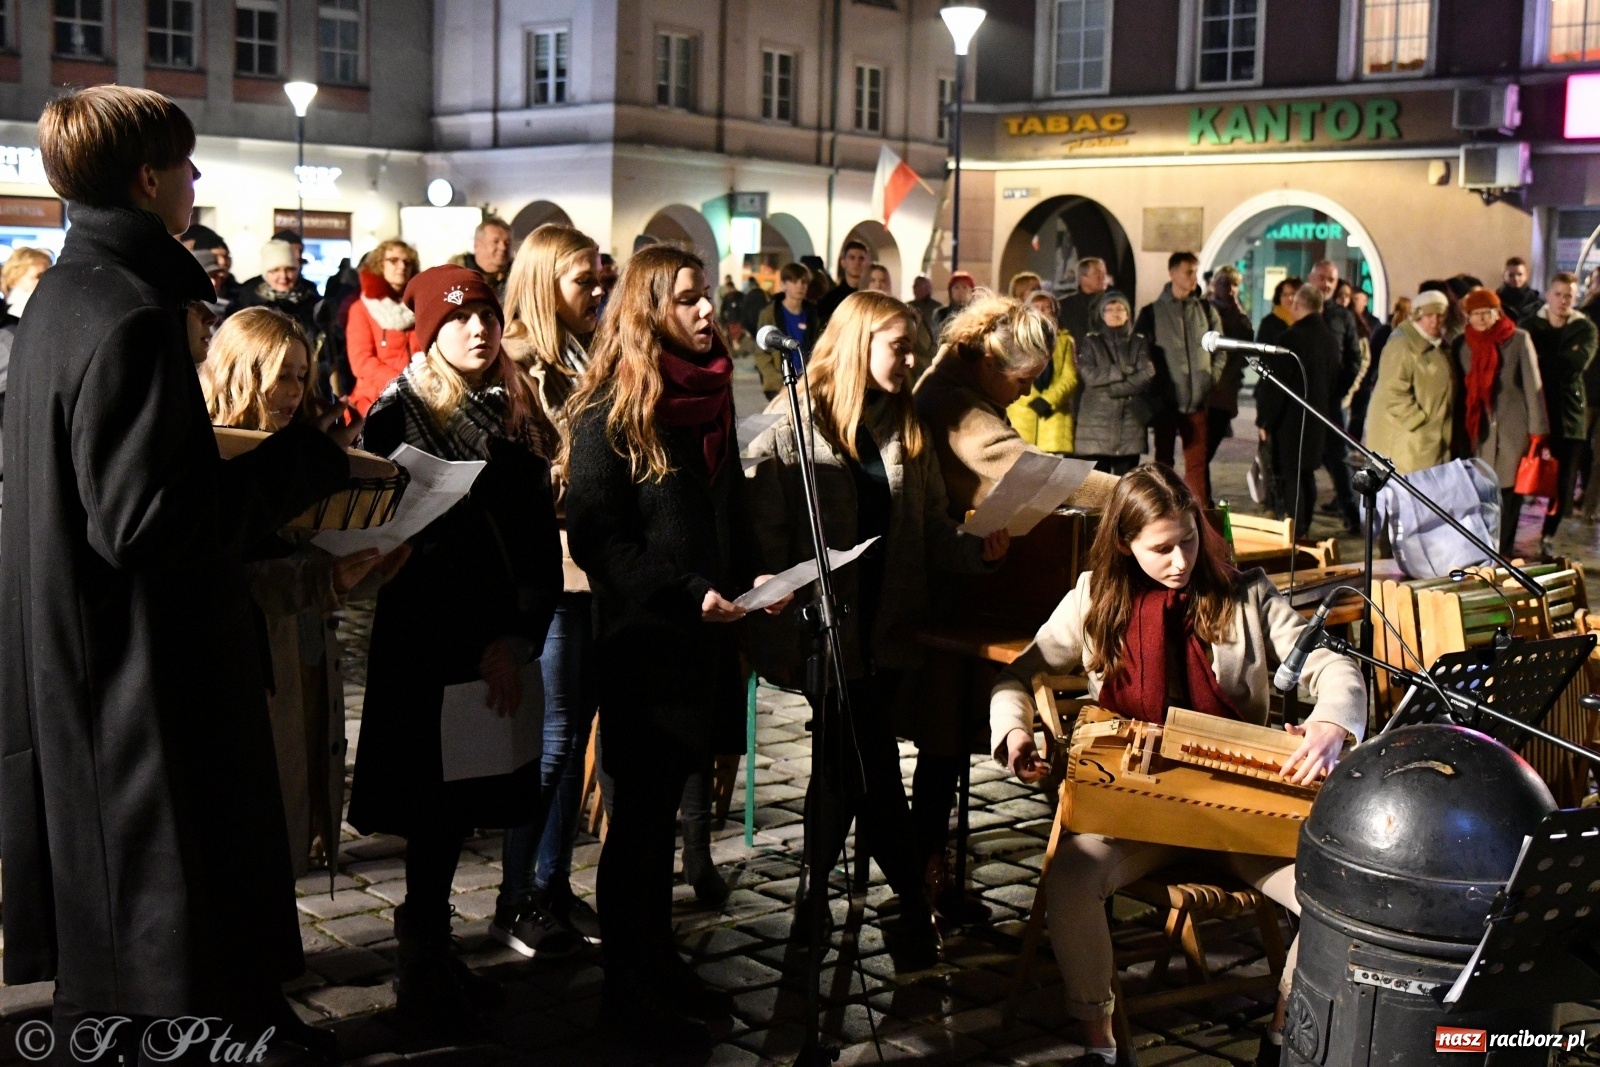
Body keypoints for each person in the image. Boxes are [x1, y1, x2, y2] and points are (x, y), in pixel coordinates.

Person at [1, 85, 352, 1061]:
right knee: (156, 917)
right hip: (140, 678)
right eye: (187, 165)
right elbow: (142, 521)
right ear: (148, 179)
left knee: (142, 925)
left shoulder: (67, 299)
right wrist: (292, 469)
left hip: (92, 669)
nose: (197, 180)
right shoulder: (128, 311)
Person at [990, 464, 1363, 1067]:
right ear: (1125, 544)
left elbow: (1329, 662)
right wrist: (1014, 730)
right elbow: (1019, 673)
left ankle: (1283, 1031)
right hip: (1136, 810)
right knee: (1071, 879)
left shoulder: (1245, 594)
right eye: (1160, 548)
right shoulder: (1094, 597)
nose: (1179, 560)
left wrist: (1332, 720)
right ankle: (1101, 1045)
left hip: (1235, 812)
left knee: (1334, 897)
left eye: (1188, 540)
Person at [563, 243, 790, 1055]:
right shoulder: (612, 409)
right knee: (640, 829)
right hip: (646, 646)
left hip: (706, 644)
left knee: (671, 819)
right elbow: (596, 535)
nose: (706, 311)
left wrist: (749, 574)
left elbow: (719, 516)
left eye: (708, 297)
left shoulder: (714, 395)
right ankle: (626, 990)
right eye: (688, 299)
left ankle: (661, 963)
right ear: (649, 306)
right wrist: (684, 589)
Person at [744, 290, 1008, 970]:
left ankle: (815, 897)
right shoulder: (796, 423)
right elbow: (769, 533)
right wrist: (781, 592)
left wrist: (976, 548)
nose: (912, 358)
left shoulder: (906, 423)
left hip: (889, 628)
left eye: (915, 345)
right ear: (859, 343)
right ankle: (910, 907)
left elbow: (924, 527)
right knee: (873, 767)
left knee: (844, 768)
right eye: (900, 346)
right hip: (824, 632)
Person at [348, 265, 562, 1036]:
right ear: (431, 331)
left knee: (466, 811)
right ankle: (423, 962)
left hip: (496, 648)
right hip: (427, 649)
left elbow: (538, 541)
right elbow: (392, 548)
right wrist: (480, 640)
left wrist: (514, 637)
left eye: (489, 318)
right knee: (431, 813)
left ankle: (436, 954)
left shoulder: (515, 412)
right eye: (459, 319)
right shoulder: (395, 421)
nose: (479, 330)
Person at [912, 292, 1120, 913]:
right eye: (1023, 380)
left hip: (972, 584)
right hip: (960, 595)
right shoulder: (954, 401)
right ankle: (927, 879)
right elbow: (1026, 470)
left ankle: (930, 877)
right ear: (987, 364)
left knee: (943, 749)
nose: (1028, 394)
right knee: (943, 745)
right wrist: (1133, 492)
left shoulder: (956, 381)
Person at [202, 307, 410, 878]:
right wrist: (323, 579)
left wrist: (374, 561)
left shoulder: (290, 446)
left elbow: (314, 554)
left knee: (294, 803)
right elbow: (226, 574)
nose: (295, 391)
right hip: (250, 663)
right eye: (283, 374)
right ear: (243, 370)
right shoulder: (213, 451)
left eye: (302, 376)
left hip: (304, 654)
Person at [494, 222, 607, 954]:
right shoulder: (518, 364)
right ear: (542, 282)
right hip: (554, 570)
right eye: (582, 281)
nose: (597, 292)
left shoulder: (583, 355)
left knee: (575, 735)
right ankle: (515, 896)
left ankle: (554, 881)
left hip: (595, 567)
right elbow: (528, 475)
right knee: (552, 735)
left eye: (600, 279)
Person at [1454, 288, 1548, 556]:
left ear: (1498, 313)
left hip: (1513, 431)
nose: (1482, 319)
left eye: (1487, 313)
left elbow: (1533, 387)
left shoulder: (1518, 340)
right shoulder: (1463, 344)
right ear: (1467, 317)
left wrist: (1538, 431)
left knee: (1508, 496)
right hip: (1478, 433)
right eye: (1476, 314)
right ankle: (1481, 549)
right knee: (1481, 494)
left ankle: (1502, 552)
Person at [1135, 251, 1223, 505]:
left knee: (1197, 462)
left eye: (1195, 271)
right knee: (1164, 460)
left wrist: (1210, 377)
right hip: (1166, 399)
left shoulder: (1206, 309)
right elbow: (1141, 353)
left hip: (1198, 399)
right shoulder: (1152, 312)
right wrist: (1157, 383)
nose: (1194, 277)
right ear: (1172, 273)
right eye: (1188, 271)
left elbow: (1220, 350)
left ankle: (1200, 518)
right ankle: (1163, 508)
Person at [1524, 272, 1599, 548]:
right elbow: (1527, 365)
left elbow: (1574, 365)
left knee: (1564, 482)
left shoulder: (1585, 328)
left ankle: (1548, 534)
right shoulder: (1530, 326)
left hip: (1569, 413)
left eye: (1569, 295)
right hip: (1535, 409)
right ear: (1548, 295)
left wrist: (1543, 361)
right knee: (1524, 473)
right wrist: (1557, 361)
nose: (1563, 300)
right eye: (1558, 294)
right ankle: (1507, 536)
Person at [1257, 285, 1338, 532]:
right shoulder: (1329, 338)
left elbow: (1276, 386)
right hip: (1319, 416)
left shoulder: (1291, 338)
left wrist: (1265, 421)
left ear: (1296, 306)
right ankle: (1304, 526)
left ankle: (1296, 530)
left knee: (1293, 476)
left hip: (1292, 421)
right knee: (1307, 473)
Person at [1365, 289, 1453, 475]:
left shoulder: (1438, 345)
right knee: (1406, 497)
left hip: (1425, 440)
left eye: (1440, 315)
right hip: (1406, 440)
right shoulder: (1403, 345)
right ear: (1417, 315)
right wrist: (1420, 422)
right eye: (1429, 315)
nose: (1434, 321)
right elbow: (1393, 391)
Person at [1306, 260, 1363, 532]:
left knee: (1338, 458)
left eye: (1331, 279)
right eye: (1322, 278)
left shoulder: (1343, 316)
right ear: (1311, 278)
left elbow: (1354, 357)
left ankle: (1350, 510)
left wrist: (1340, 390)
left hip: (1331, 401)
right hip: (1302, 401)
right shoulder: (1299, 311)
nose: (1327, 284)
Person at [1074, 290, 1155, 476]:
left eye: (1120, 308)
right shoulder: (1091, 342)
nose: (1115, 313)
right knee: (1097, 485)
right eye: (1109, 309)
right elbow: (1089, 374)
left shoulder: (1138, 342)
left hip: (1130, 424)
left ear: (1128, 313)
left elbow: (1147, 373)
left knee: (1124, 482)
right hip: (1096, 425)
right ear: (1102, 315)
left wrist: (1114, 388)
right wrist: (1123, 371)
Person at [346, 238, 420, 415]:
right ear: (380, 265)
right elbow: (361, 361)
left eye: (407, 262)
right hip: (375, 398)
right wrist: (401, 383)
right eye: (393, 260)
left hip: (419, 395)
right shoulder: (361, 308)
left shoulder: (420, 306)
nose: (402, 267)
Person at [1007, 290, 1078, 456]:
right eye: (1036, 307)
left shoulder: (1065, 340)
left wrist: (1047, 400)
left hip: (1054, 418)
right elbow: (1012, 373)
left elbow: (1070, 377)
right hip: (1022, 414)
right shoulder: (1015, 338)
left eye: (1046, 308)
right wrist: (1031, 398)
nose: (1041, 311)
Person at [229, 237, 321, 347]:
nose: (283, 276)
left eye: (290, 269)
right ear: (266, 273)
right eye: (275, 270)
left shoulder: (311, 296)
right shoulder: (247, 297)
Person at [1205, 264, 1253, 467]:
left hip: (1225, 391)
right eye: (1225, 283)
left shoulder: (1240, 316)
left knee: (1209, 448)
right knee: (1200, 454)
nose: (1230, 289)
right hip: (1204, 389)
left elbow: (1246, 351)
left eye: (1234, 284)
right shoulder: (1203, 309)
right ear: (1215, 284)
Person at [756, 261, 819, 376]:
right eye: (794, 281)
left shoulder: (813, 314)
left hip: (806, 381)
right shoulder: (770, 313)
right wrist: (776, 382)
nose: (800, 286)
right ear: (783, 284)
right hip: (781, 381)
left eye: (804, 282)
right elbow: (762, 353)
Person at [1057, 256, 1108, 354]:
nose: (1103, 277)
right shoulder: (1064, 305)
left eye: (1104, 273)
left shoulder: (1112, 304)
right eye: (1097, 273)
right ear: (1082, 278)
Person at [819, 238, 871, 324]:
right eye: (852, 258)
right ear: (843, 262)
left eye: (861, 258)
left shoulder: (870, 297)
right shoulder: (830, 299)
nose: (857, 262)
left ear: (867, 263)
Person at [464, 215, 513, 297]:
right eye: (495, 241)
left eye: (507, 242)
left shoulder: (520, 279)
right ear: (477, 245)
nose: (503, 247)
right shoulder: (459, 279)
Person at [1256, 277, 1301, 347]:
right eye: (1285, 295)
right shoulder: (1269, 323)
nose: (1289, 298)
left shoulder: (1307, 320)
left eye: (1293, 293)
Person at [1498, 256, 1543, 325]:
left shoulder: (1537, 302)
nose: (1516, 279)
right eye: (1511, 275)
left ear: (1526, 276)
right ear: (1503, 276)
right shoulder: (1496, 301)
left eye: (1519, 274)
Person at [935, 270, 976, 334]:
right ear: (951, 292)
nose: (961, 291)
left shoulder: (977, 314)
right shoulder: (941, 314)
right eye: (957, 288)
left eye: (965, 287)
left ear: (972, 291)